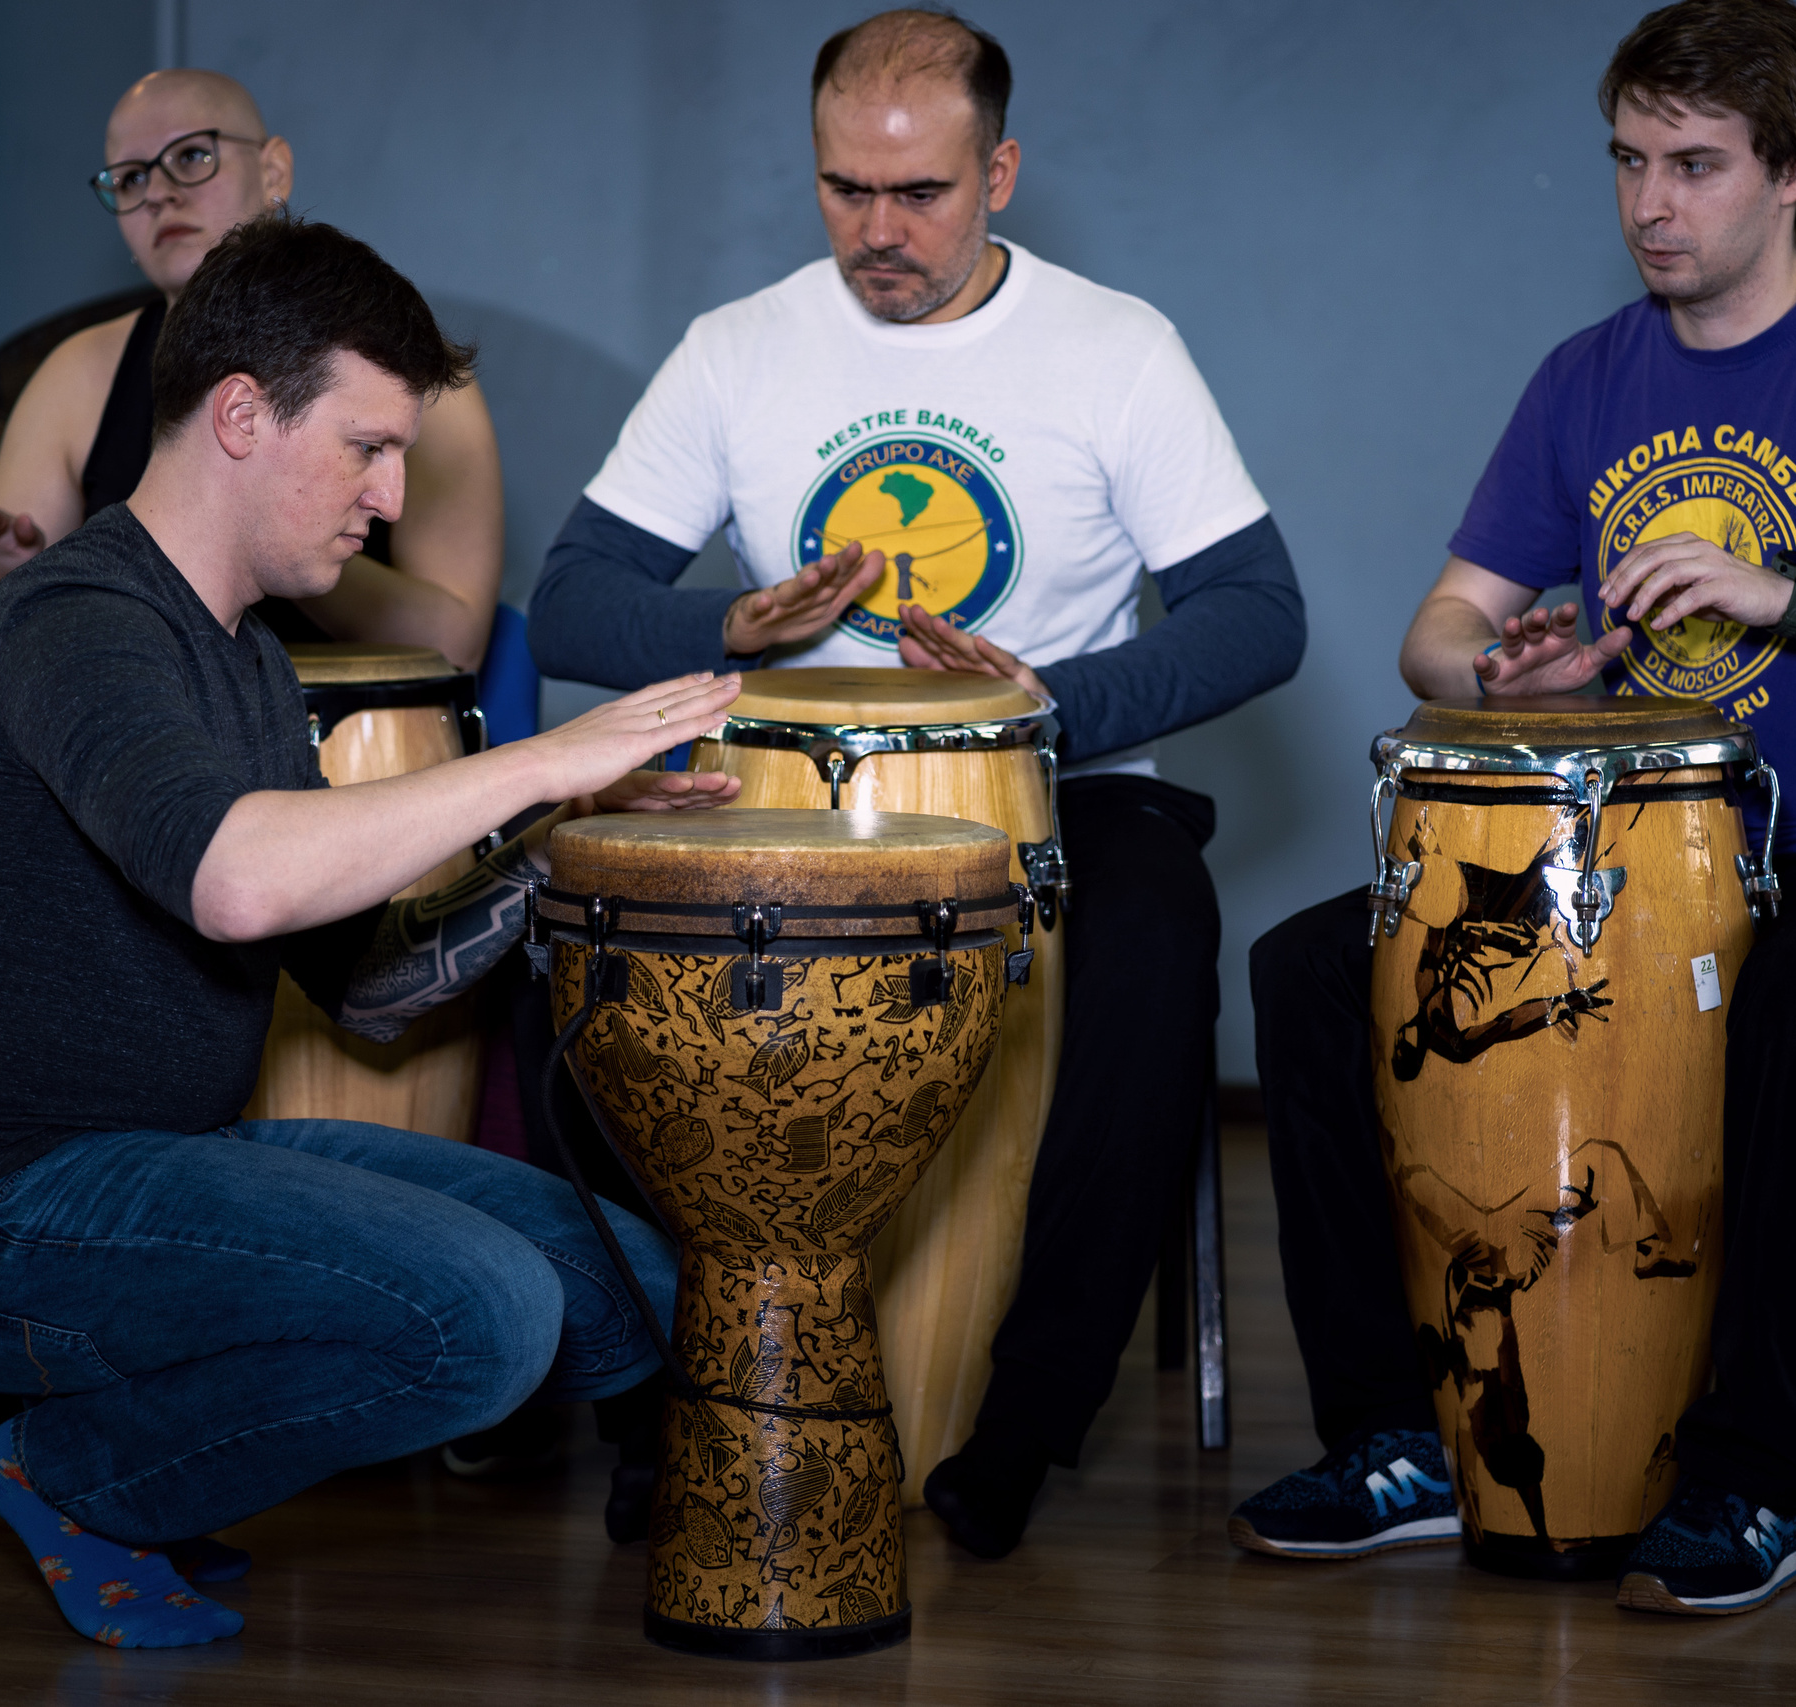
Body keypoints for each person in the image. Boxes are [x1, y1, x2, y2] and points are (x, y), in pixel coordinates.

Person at [1231, 0, 1796, 1618]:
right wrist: (1503, 672)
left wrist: (1782, 592)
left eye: (1695, 164)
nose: (1650, 205)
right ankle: (1396, 1441)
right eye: (1628, 160)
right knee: (1313, 965)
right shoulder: (1583, 377)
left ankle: (1753, 1481)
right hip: (1617, 869)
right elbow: (1437, 628)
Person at [0, 214, 744, 1649]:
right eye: (369, 447)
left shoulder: (250, 659)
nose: (388, 499)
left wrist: (567, 836)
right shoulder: (79, 619)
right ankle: (77, 1469)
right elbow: (237, 882)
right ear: (243, 415)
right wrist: (534, 761)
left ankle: (150, 1439)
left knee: (624, 1288)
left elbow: (372, 982)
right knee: (489, 1314)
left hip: (158, 1158)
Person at [527, 9, 1304, 1558]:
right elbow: (567, 603)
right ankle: (679, 1403)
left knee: (1155, 956)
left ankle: (1019, 1430)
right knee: (585, 976)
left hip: (1059, 783)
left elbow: (1259, 614)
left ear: (999, 171)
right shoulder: (738, 349)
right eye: (845, 192)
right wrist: (724, 624)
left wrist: (1039, 707)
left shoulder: (1115, 345)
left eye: (921, 195)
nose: (879, 234)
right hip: (789, 799)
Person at [0, 70, 504, 670]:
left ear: (273, 172)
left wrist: (289, 529)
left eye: (192, 156)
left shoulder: (409, 378)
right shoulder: (77, 374)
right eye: (132, 177)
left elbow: (457, 650)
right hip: (135, 720)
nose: (160, 193)